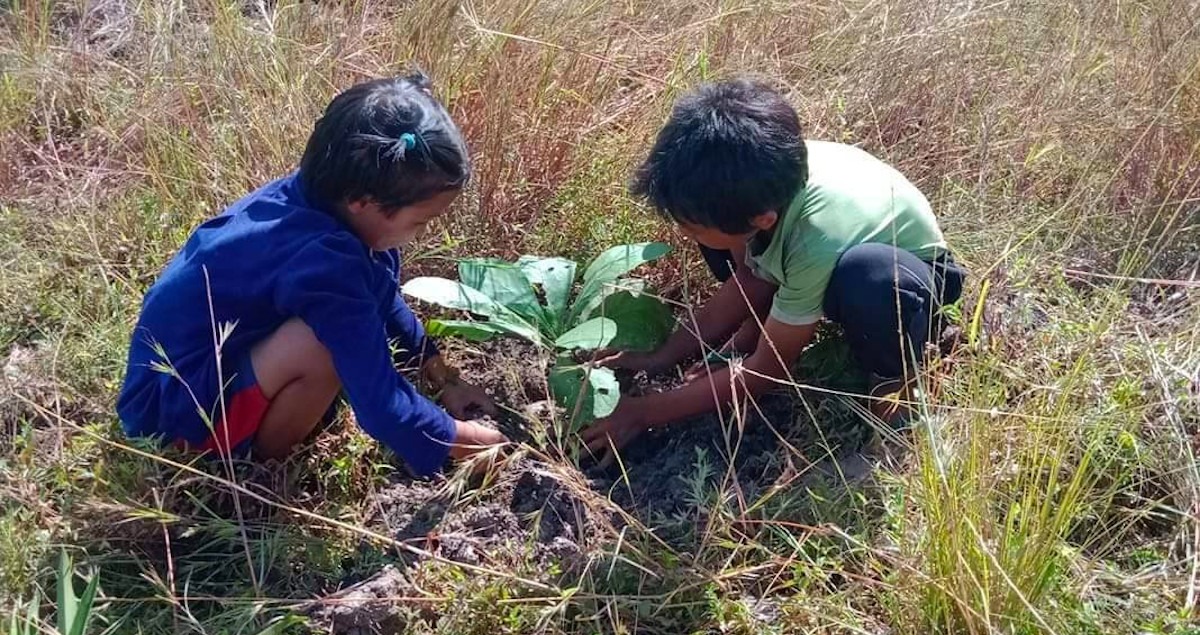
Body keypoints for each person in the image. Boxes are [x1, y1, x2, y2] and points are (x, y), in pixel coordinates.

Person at [117, 73, 507, 476]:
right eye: (421, 221)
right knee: (320, 347)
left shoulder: (320, 198)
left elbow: (379, 294)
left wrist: (442, 376)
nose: (423, 232)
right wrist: (467, 441)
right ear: (362, 201)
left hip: (192, 377)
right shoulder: (326, 263)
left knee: (334, 334)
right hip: (173, 417)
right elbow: (381, 405)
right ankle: (256, 466)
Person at [582, 77, 965, 468]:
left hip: (907, 279)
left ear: (762, 219)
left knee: (868, 280)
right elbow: (749, 279)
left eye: (689, 227)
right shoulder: (744, 176)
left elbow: (768, 371)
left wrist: (642, 413)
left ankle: (895, 380)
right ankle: (769, 321)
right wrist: (661, 357)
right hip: (816, 252)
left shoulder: (814, 238)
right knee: (717, 237)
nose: (682, 233)